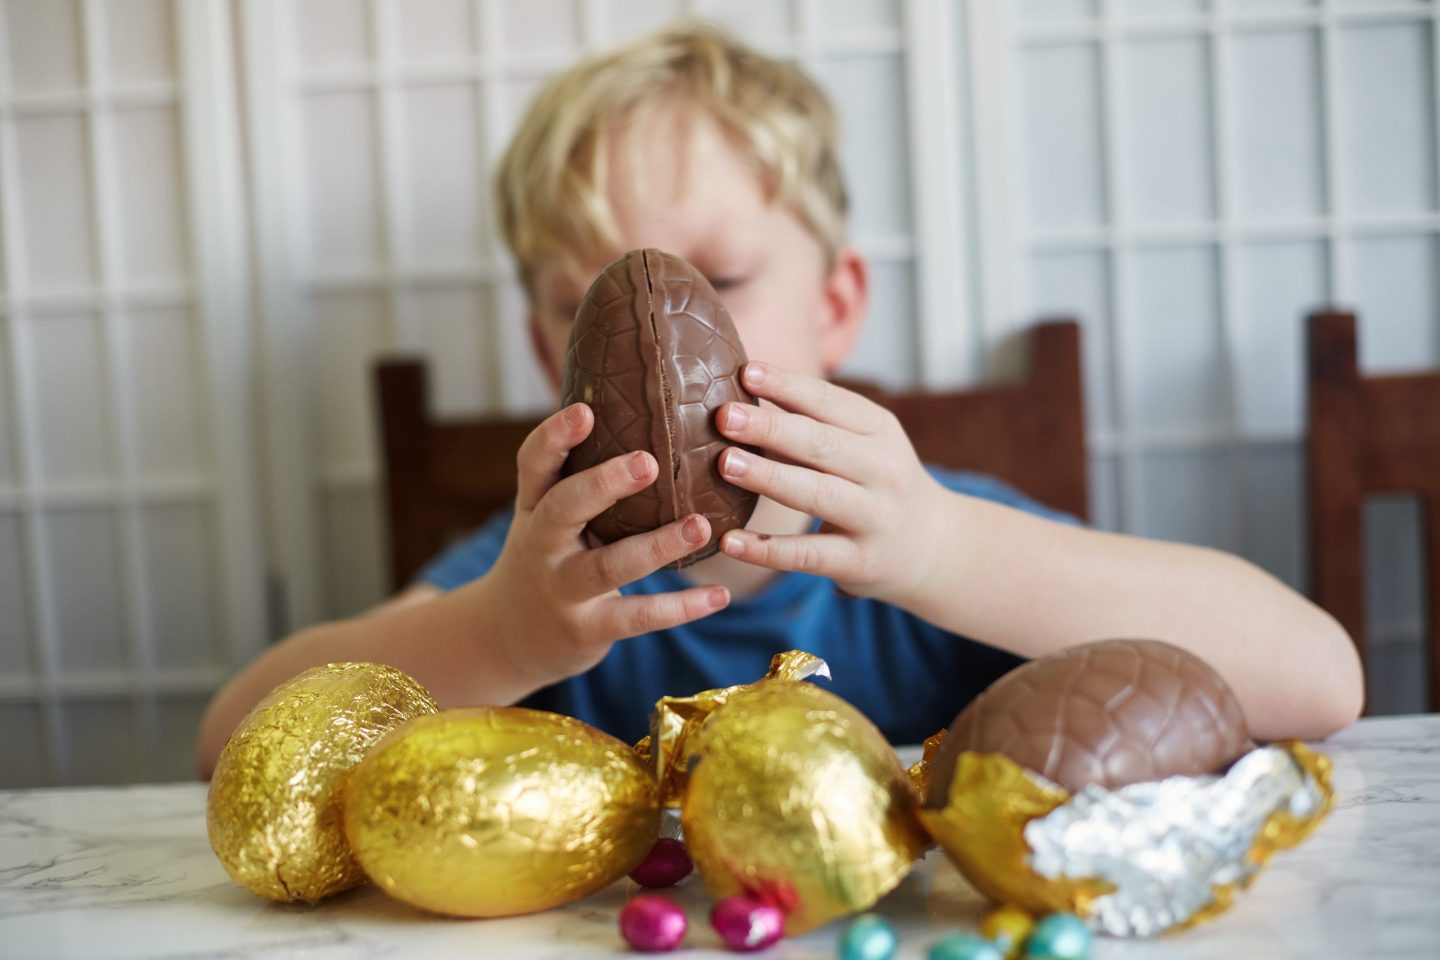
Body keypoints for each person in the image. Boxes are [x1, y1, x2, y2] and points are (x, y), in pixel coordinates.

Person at [197, 25, 1362, 777]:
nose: (660, 357)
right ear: (546, 348)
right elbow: (232, 745)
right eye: (586, 302)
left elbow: (1319, 680)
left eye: (724, 279)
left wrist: (948, 549)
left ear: (839, 304)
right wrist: (501, 634)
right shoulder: (532, 584)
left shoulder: (939, 550)